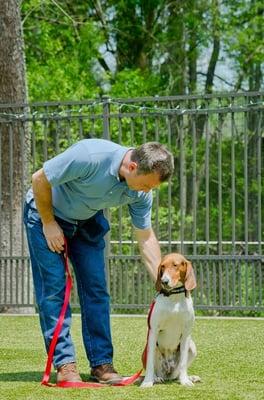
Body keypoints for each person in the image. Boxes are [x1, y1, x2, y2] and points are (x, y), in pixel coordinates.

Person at [23, 138, 174, 384]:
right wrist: (49, 223)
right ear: (133, 167)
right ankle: (65, 364)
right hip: (45, 214)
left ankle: (102, 365)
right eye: (146, 185)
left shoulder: (141, 193)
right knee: (53, 291)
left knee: (96, 290)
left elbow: (146, 238)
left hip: (87, 219)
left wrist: (163, 282)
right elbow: (39, 178)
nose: (147, 191)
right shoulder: (90, 156)